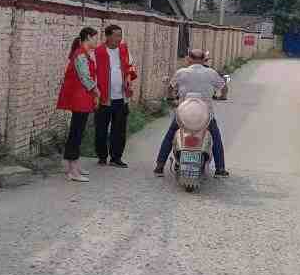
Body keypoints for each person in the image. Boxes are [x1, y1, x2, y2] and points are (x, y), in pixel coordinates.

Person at [154, 48, 229, 177]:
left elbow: (170, 88)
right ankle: (220, 169)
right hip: (205, 115)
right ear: (204, 59)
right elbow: (224, 87)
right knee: (216, 137)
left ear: (189, 59)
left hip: (184, 115)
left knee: (170, 135)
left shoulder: (181, 72)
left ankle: (160, 166)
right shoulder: (211, 73)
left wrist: (170, 98)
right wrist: (222, 96)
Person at [56, 26, 100, 182]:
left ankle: (73, 166)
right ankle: (73, 171)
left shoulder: (83, 53)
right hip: (80, 98)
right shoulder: (80, 54)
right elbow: (85, 77)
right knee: (77, 133)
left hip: (82, 97)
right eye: (95, 38)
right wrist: (96, 90)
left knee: (77, 131)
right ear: (88, 37)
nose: (97, 41)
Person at [94, 25, 137, 168]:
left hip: (121, 97)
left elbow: (131, 67)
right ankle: (102, 156)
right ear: (107, 36)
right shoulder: (98, 52)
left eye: (120, 35)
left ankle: (116, 157)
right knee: (101, 129)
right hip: (104, 98)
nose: (119, 39)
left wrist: (128, 80)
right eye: (116, 35)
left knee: (119, 130)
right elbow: (93, 72)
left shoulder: (124, 49)